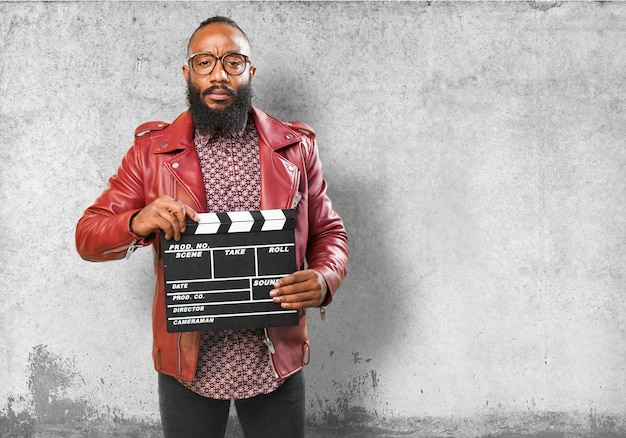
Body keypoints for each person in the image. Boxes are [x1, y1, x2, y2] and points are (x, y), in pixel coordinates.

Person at [75, 16, 348, 438]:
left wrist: (324, 276)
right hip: (189, 367)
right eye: (205, 62)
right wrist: (135, 221)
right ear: (188, 72)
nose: (219, 73)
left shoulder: (295, 149)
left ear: (250, 72)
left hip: (273, 361)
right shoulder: (152, 153)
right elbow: (88, 235)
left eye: (233, 61)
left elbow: (329, 233)